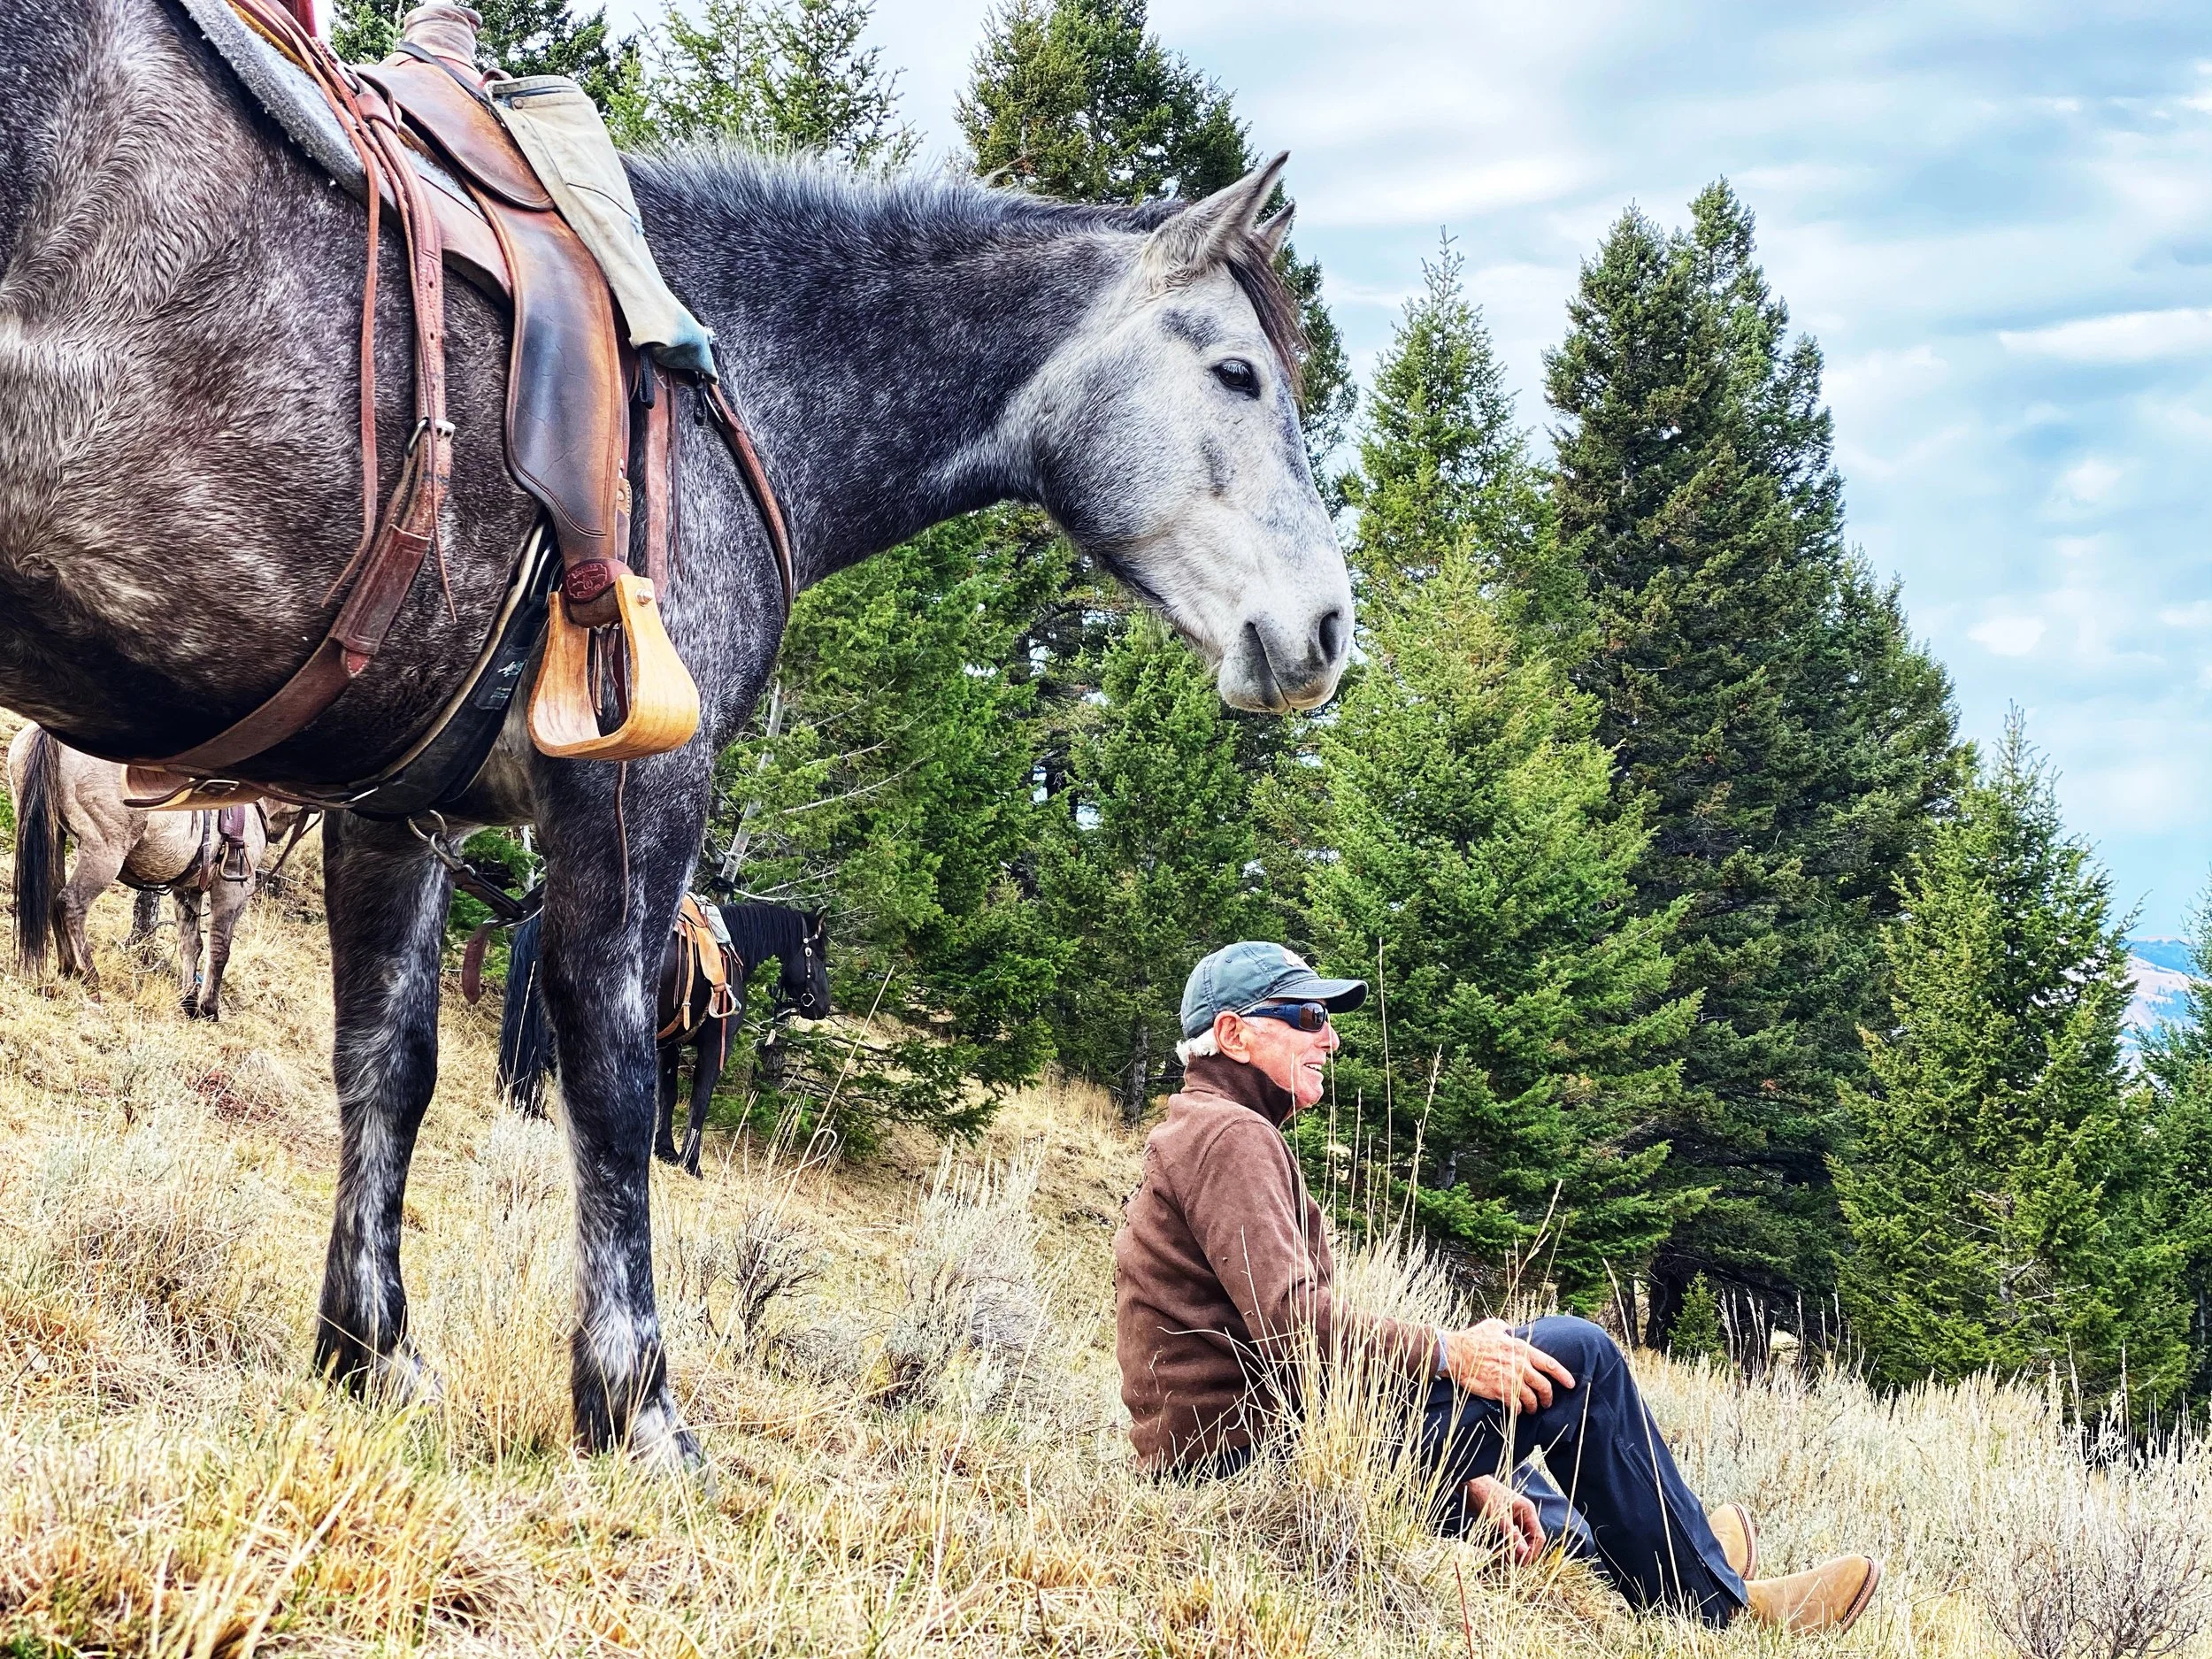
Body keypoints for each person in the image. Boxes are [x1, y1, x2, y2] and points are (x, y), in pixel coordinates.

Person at [1112, 941, 1884, 1633]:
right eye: (1308, 1015)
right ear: (1235, 1033)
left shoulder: (1211, 1129)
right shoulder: (1229, 1136)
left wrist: (1466, 1471)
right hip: (1250, 1467)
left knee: (1505, 1466)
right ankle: (1721, 1609)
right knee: (1572, 1355)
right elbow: (1290, 1324)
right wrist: (1451, 1354)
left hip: (1241, 1452)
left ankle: (1690, 1554)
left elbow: (1279, 1352)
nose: (1331, 1037)